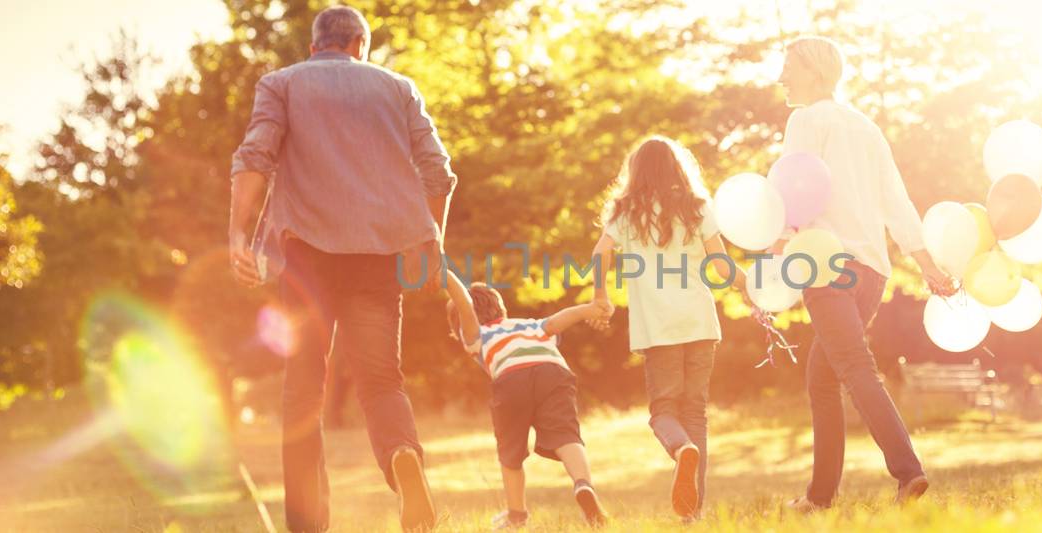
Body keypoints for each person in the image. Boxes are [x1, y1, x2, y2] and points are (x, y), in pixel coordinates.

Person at [226, 5, 456, 532]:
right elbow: (439, 172)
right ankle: (402, 457)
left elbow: (256, 155)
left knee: (303, 385)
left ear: (315, 47)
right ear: (360, 46)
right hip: (377, 257)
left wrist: (239, 235)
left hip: (306, 257)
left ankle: (307, 525)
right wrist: (431, 241)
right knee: (381, 381)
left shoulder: (281, 83)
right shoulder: (398, 88)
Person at [773, 36, 958, 512]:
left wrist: (780, 241)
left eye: (788, 67)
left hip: (826, 263)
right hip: (871, 272)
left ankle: (908, 471)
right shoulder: (865, 127)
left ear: (814, 71)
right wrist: (927, 264)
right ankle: (819, 497)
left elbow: (795, 181)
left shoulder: (805, 119)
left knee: (855, 367)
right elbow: (896, 199)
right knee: (823, 378)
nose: (780, 77)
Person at [590, 136, 747, 521]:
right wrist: (751, 290)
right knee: (695, 413)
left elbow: (600, 252)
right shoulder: (697, 207)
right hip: (698, 322)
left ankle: (680, 450)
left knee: (664, 410)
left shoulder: (625, 211)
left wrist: (600, 297)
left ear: (636, 170)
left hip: (658, 329)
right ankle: (693, 513)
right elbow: (722, 266)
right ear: (679, 168)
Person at [442, 271, 610, 529]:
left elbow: (463, 304)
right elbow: (556, 322)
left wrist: (444, 273)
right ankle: (583, 485)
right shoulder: (528, 324)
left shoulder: (476, 335)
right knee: (566, 436)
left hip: (511, 379)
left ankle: (516, 515)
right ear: (501, 308)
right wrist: (590, 309)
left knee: (511, 452)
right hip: (553, 371)